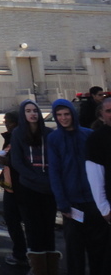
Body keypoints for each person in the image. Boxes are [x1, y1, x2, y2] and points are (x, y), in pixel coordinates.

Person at [48, 98, 106, 274]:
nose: (63, 118)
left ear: (73, 113)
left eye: (66, 114)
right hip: (72, 204)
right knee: (75, 251)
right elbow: (55, 173)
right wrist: (62, 202)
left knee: (99, 250)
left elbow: (100, 167)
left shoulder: (88, 134)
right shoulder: (54, 138)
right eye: (59, 115)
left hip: (94, 201)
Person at [10, 99, 56, 275]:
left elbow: (55, 159)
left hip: (49, 187)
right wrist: (35, 177)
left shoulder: (49, 133)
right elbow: (17, 161)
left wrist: (48, 180)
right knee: (34, 227)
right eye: (28, 111)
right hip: (29, 187)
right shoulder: (18, 134)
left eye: (35, 110)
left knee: (48, 227)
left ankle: (51, 266)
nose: (32, 114)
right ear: (23, 114)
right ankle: (37, 267)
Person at [0, 110, 28, 267]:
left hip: (23, 188)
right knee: (11, 221)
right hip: (10, 187)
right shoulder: (10, 138)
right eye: (5, 121)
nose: (7, 124)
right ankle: (20, 251)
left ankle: (29, 254)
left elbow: (24, 163)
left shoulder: (22, 137)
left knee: (26, 222)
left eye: (10, 122)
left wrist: (8, 162)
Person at [86, 95, 111, 271]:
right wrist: (105, 209)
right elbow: (95, 177)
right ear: (101, 115)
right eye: (109, 111)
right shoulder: (96, 139)